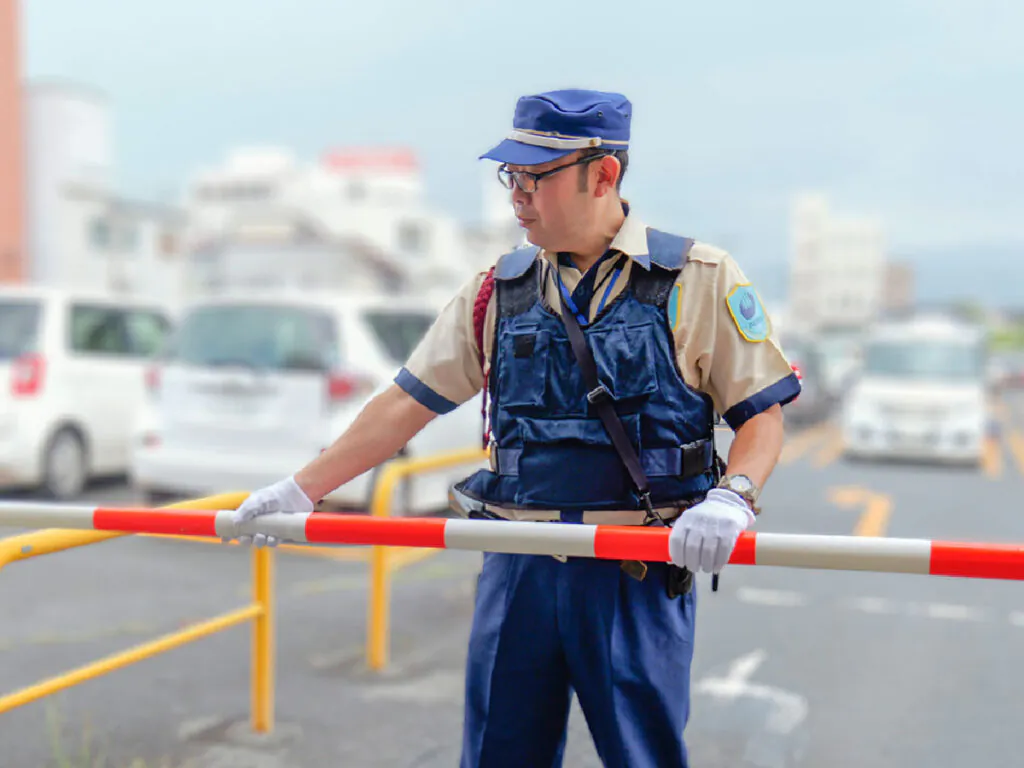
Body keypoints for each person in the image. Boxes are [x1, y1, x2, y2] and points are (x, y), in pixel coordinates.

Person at [222, 89, 800, 767]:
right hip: (517, 564)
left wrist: (732, 494)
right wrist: (300, 488)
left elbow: (761, 413)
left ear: (605, 174)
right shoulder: (498, 289)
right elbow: (406, 403)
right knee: (499, 752)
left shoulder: (695, 280)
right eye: (512, 178)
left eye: (536, 178)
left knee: (641, 754)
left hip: (634, 568)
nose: (517, 197)